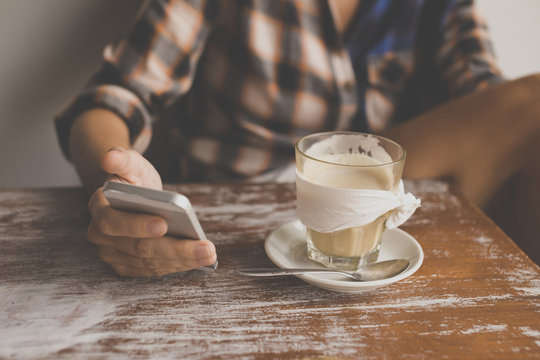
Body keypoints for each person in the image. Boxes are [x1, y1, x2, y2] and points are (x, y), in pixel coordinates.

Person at [55, 0, 540, 276]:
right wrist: (119, 185)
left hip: (376, 201)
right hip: (242, 208)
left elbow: (487, 100)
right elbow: (116, 94)